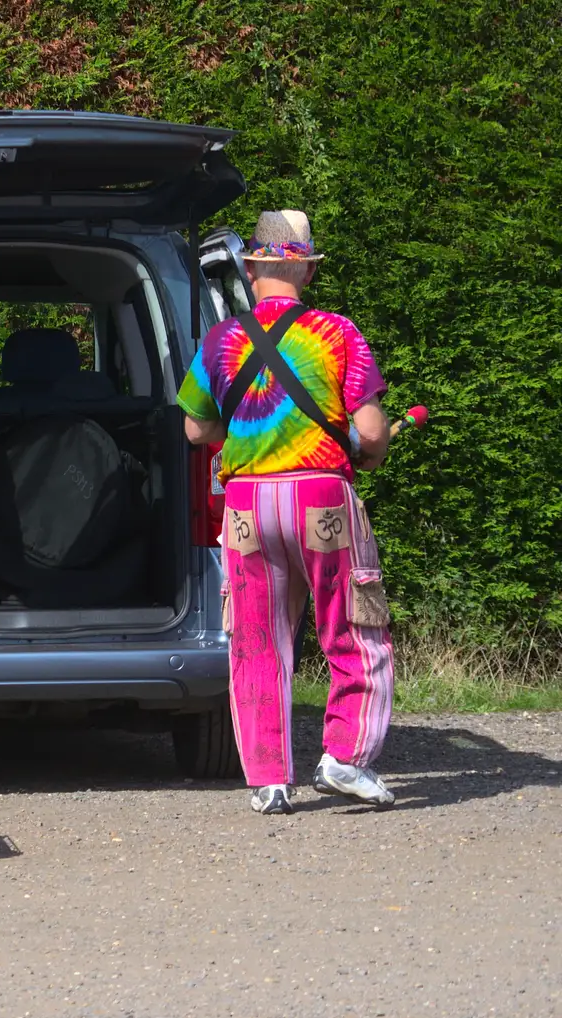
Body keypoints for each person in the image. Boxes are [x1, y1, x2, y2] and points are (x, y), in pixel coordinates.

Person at [179, 210, 396, 815]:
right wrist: (372, 450)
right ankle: (346, 757)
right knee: (353, 626)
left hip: (246, 505)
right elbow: (372, 431)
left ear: (251, 271)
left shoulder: (221, 340)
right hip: (320, 499)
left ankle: (269, 779)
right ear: (302, 267)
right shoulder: (337, 333)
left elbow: (196, 428)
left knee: (255, 639)